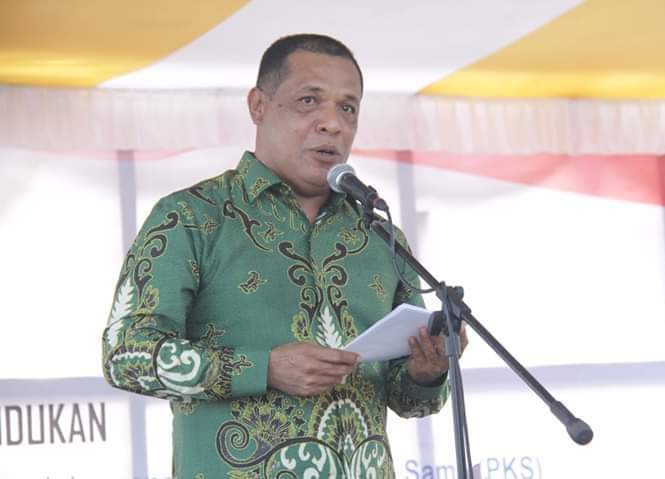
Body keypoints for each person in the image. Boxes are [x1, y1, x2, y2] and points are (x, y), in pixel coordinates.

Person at [102, 33, 467, 478]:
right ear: (258, 105)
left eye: (348, 108)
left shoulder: (381, 236)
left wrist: (427, 372)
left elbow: (410, 402)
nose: (332, 124)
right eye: (309, 101)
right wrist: (265, 368)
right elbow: (126, 356)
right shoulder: (191, 217)